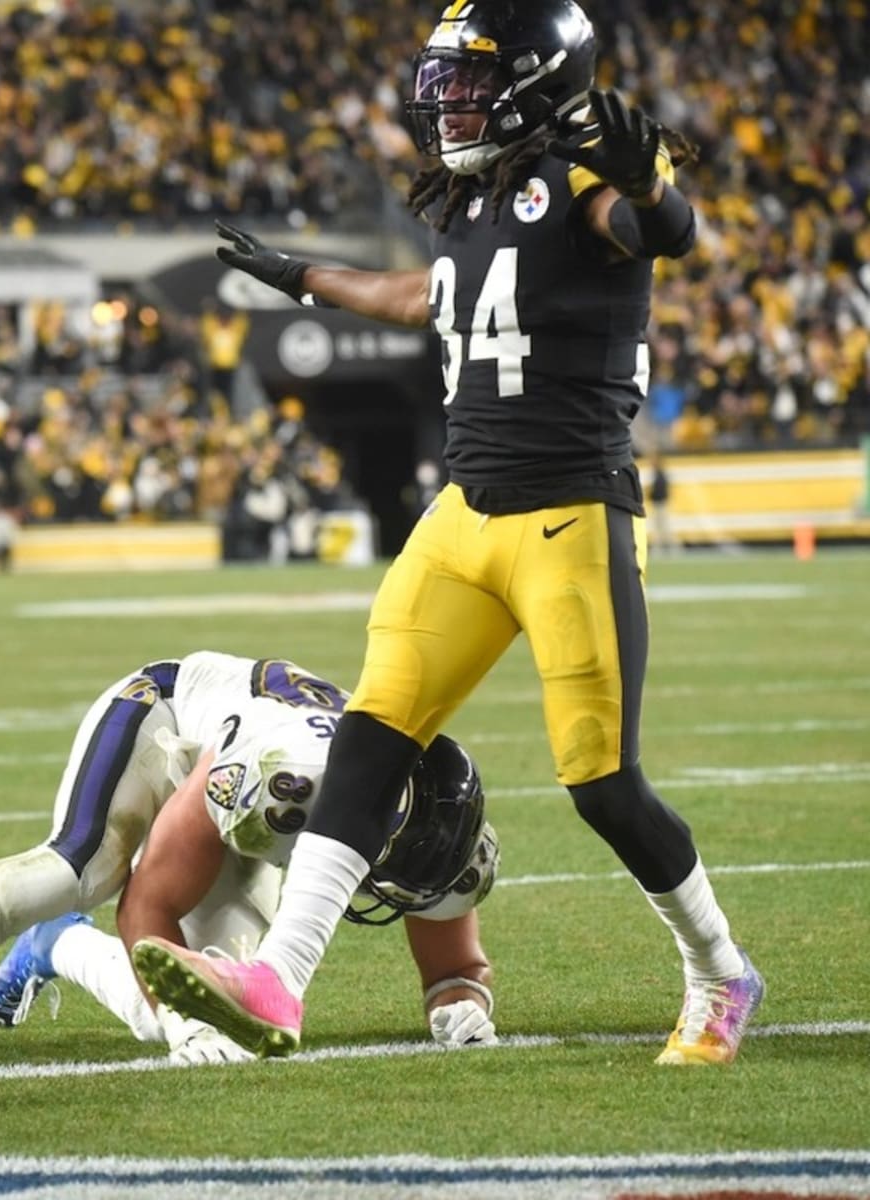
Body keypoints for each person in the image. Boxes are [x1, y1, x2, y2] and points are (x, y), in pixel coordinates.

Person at [130, 0, 763, 1067]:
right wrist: (302, 276)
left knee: (605, 789)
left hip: (569, 516)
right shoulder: (468, 202)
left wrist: (655, 183)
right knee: (372, 737)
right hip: (464, 515)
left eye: (469, 82)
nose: (447, 103)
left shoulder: (581, 184)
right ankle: (279, 982)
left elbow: (660, 234)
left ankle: (720, 969)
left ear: (532, 82)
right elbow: (424, 295)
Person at [0, 651, 498, 1068]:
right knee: (74, 871)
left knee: (209, 1012)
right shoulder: (283, 784)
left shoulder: (446, 836)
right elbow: (147, 901)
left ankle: (56, 949)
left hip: (246, 782)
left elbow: (456, 970)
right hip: (171, 716)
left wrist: (460, 1005)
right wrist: (188, 1024)